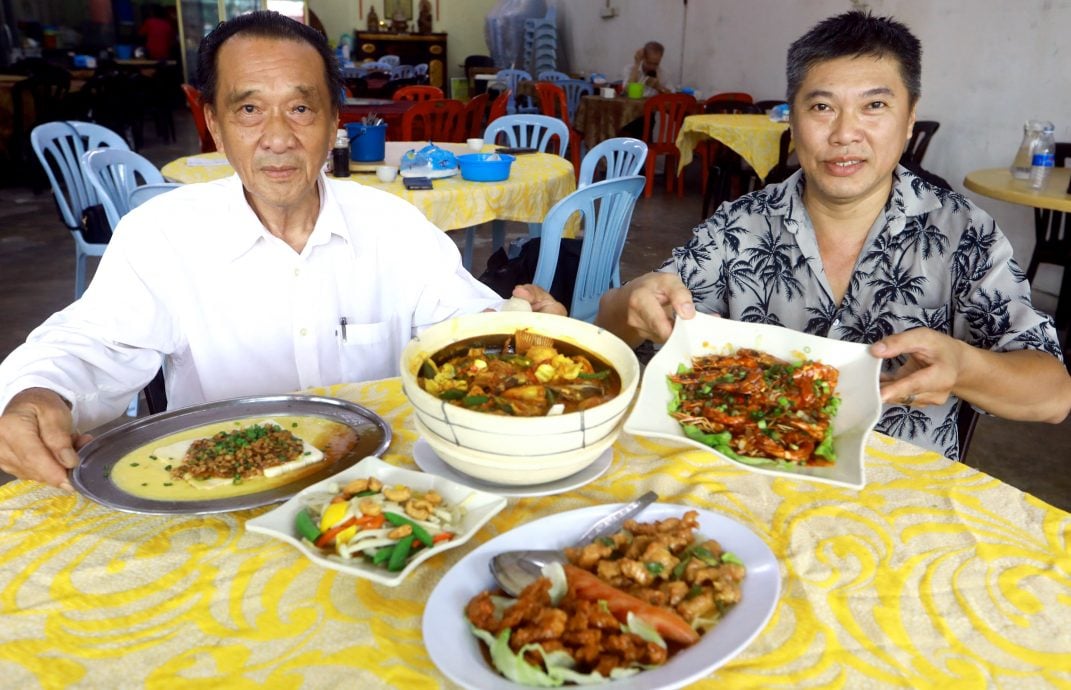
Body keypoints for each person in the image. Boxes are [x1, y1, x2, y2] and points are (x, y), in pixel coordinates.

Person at [0, 11, 564, 490]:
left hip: (371, 497)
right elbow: (89, 345)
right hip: (215, 497)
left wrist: (519, 327)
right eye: (249, 110)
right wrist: (35, 394)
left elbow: (464, 326)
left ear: (334, 123)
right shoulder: (163, 235)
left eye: (300, 108)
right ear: (214, 125)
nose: (277, 136)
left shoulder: (394, 226)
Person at [597, 10, 1071, 459]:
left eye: (875, 106)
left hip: (901, 501)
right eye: (822, 106)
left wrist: (966, 368)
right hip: (749, 478)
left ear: (909, 119)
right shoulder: (738, 226)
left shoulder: (962, 234)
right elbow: (617, 323)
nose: (845, 133)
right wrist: (631, 301)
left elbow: (1053, 395)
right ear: (792, 118)